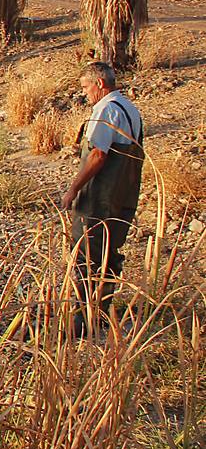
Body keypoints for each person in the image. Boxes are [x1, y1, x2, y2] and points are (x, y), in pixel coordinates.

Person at [59, 61, 144, 324]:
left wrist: (73, 189)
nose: (84, 93)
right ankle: (102, 311)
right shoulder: (130, 108)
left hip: (99, 199)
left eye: (86, 87)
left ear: (100, 84)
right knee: (110, 252)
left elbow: (98, 155)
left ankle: (82, 319)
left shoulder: (104, 111)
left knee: (86, 253)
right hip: (124, 196)